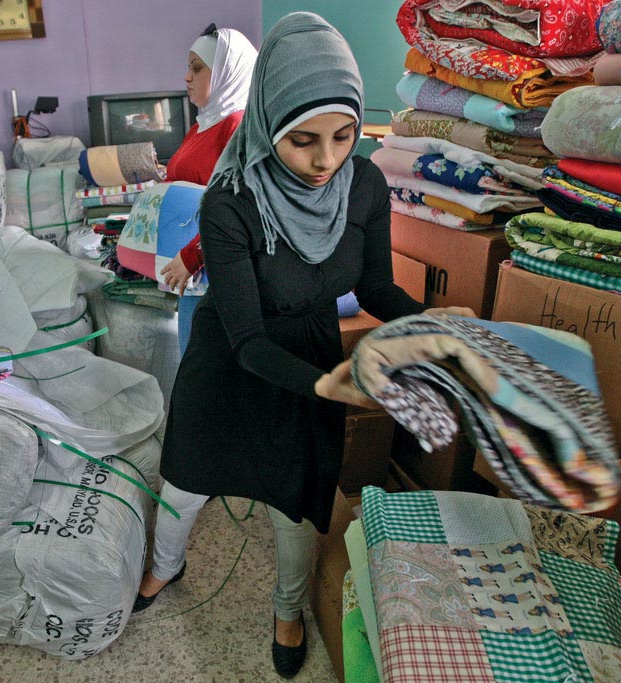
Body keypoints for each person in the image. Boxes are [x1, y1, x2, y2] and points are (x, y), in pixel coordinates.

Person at [133, 12, 474, 679]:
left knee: (297, 502)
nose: (326, 160)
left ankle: (288, 608)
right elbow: (248, 336)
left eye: (344, 135)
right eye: (302, 141)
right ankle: (163, 566)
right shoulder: (232, 201)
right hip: (235, 355)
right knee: (185, 483)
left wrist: (436, 320)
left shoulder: (365, 185)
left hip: (314, 351)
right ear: (267, 126)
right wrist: (328, 383)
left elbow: (376, 286)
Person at [160, 23, 257, 353]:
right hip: (195, 272)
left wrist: (191, 256)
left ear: (229, 71)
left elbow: (242, 205)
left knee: (207, 370)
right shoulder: (203, 124)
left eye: (197, 68)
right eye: (188, 67)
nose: (187, 76)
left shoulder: (238, 124)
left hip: (216, 269)